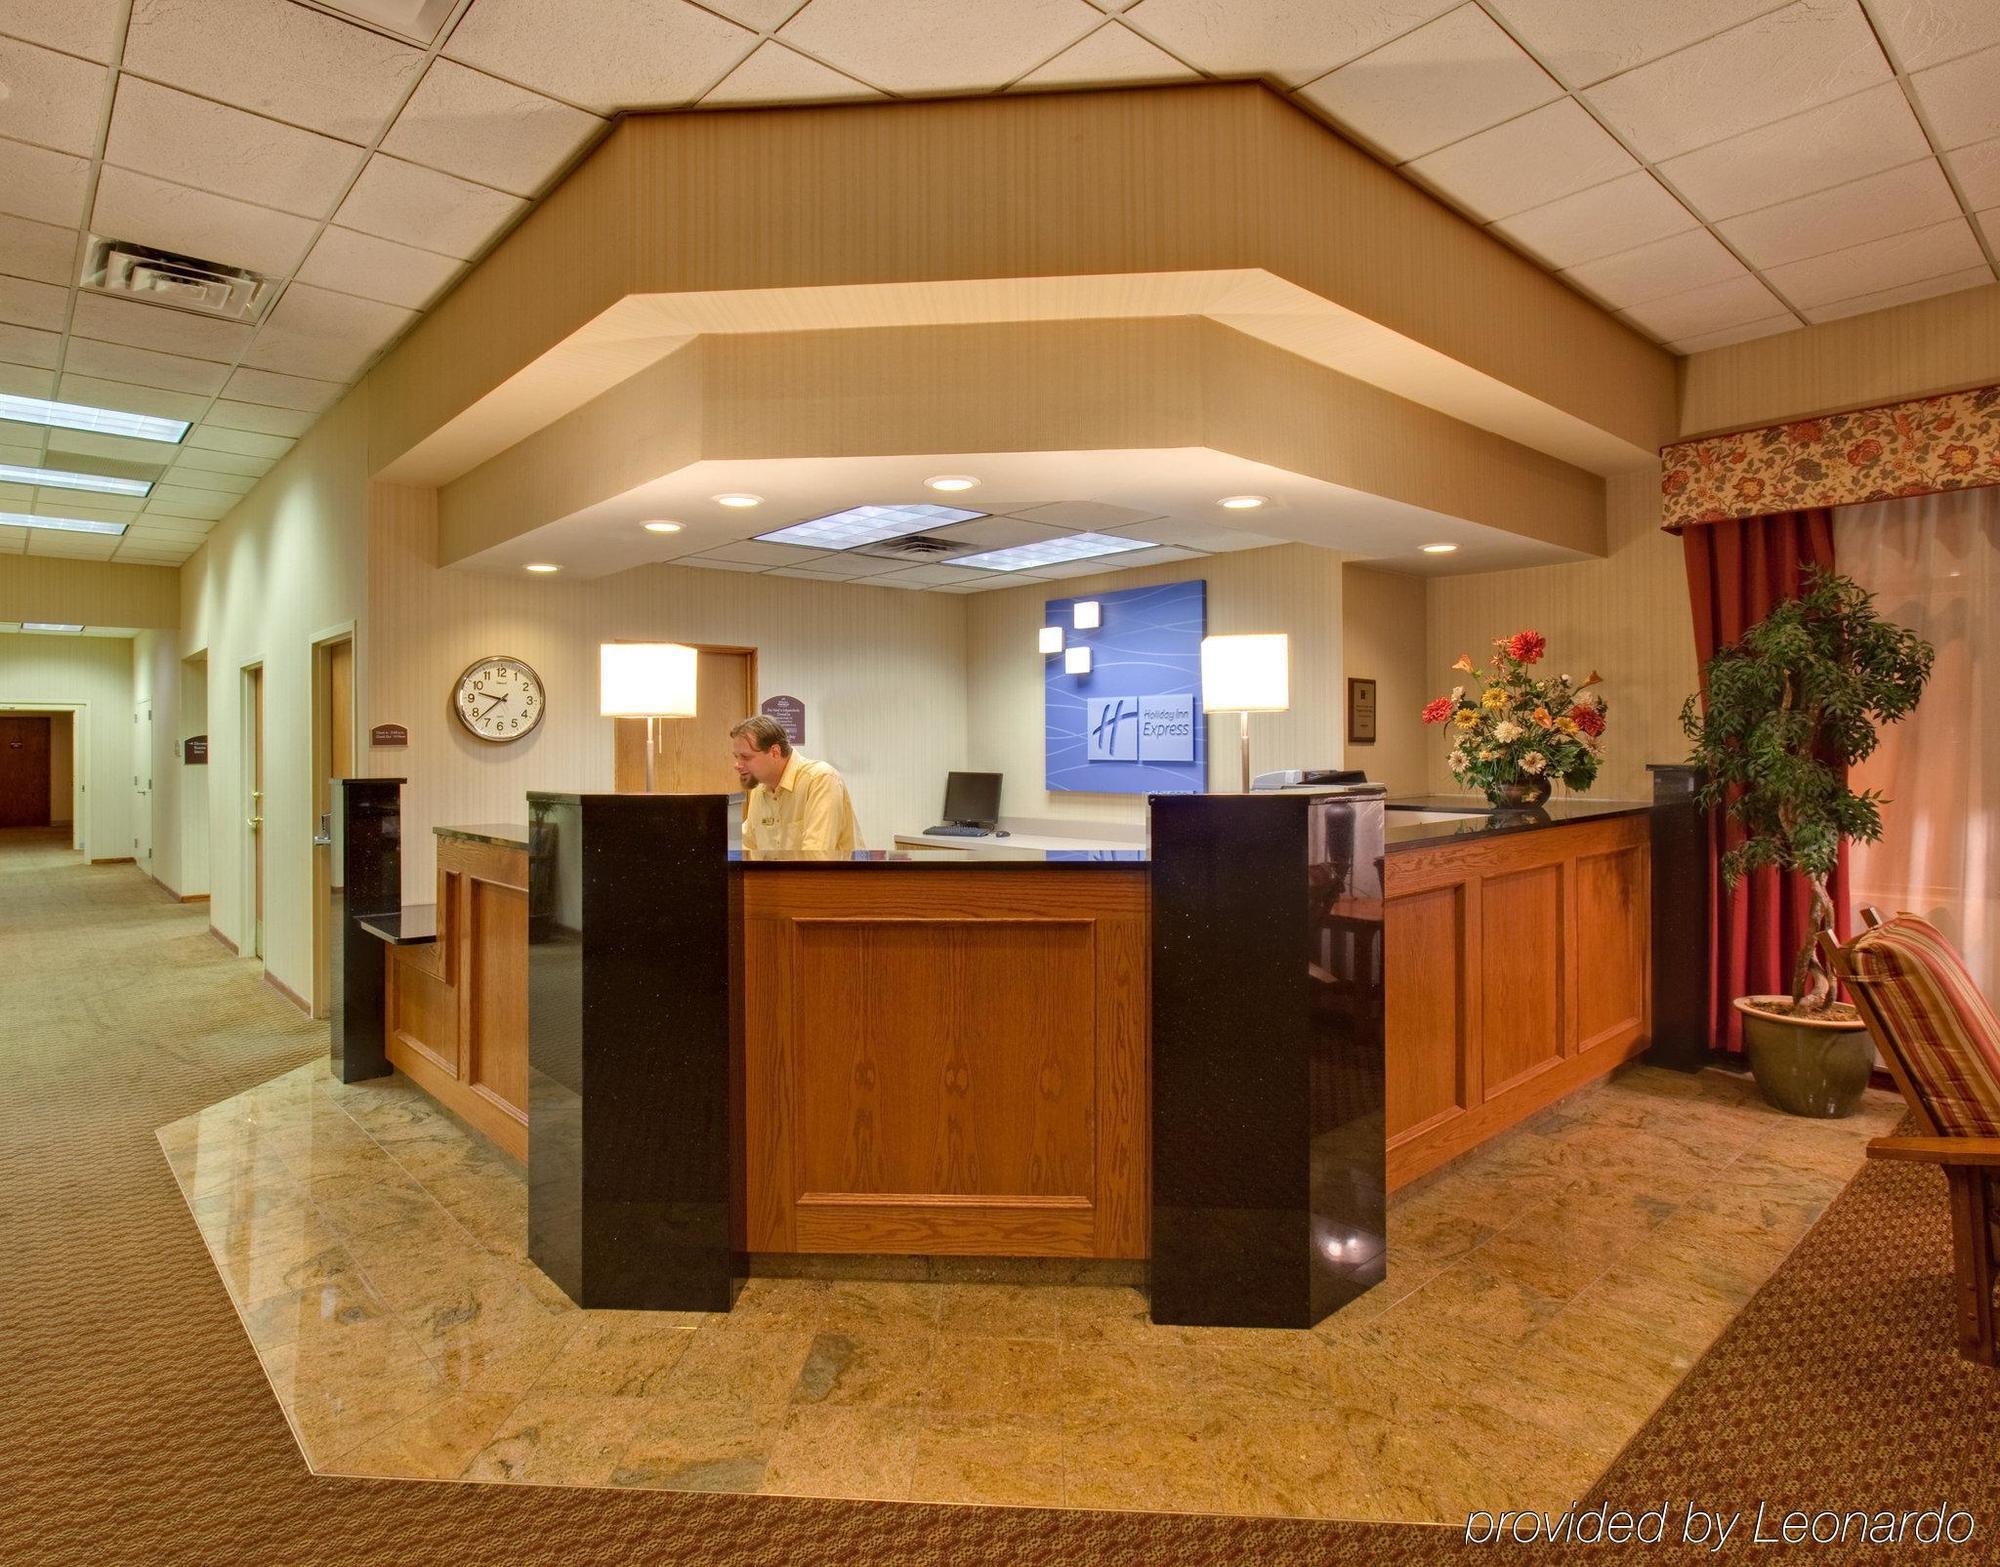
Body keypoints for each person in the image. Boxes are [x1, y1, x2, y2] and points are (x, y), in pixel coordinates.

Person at [729, 714, 862, 854]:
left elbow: (816, 857)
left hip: (824, 876)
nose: (737, 765)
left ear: (775, 752)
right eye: (736, 757)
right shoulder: (760, 790)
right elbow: (747, 846)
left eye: (746, 757)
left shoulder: (821, 779)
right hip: (780, 876)